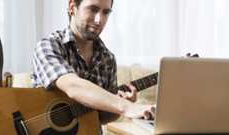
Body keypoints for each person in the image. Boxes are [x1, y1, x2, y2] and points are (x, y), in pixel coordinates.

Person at [32, 0, 155, 133]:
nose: (99, 20)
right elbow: (73, 86)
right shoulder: (48, 46)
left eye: (106, 12)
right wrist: (126, 107)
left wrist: (118, 105)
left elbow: (102, 118)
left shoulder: (108, 58)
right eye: (93, 9)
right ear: (72, 7)